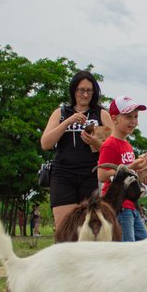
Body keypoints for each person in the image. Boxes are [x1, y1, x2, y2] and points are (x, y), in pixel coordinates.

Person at [40, 70, 114, 232]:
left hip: (90, 175)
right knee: (64, 229)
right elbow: (46, 144)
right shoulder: (60, 113)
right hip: (63, 175)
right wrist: (68, 121)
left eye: (89, 90)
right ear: (74, 91)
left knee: (88, 229)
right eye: (81, 90)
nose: (85, 94)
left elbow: (115, 150)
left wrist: (96, 142)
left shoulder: (101, 114)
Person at [97, 96, 147, 242]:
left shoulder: (127, 145)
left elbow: (128, 176)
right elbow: (102, 174)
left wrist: (144, 176)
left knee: (145, 245)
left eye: (135, 117)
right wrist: (131, 167)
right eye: (128, 117)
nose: (133, 122)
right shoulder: (110, 144)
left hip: (131, 205)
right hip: (119, 206)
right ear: (114, 119)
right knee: (127, 250)